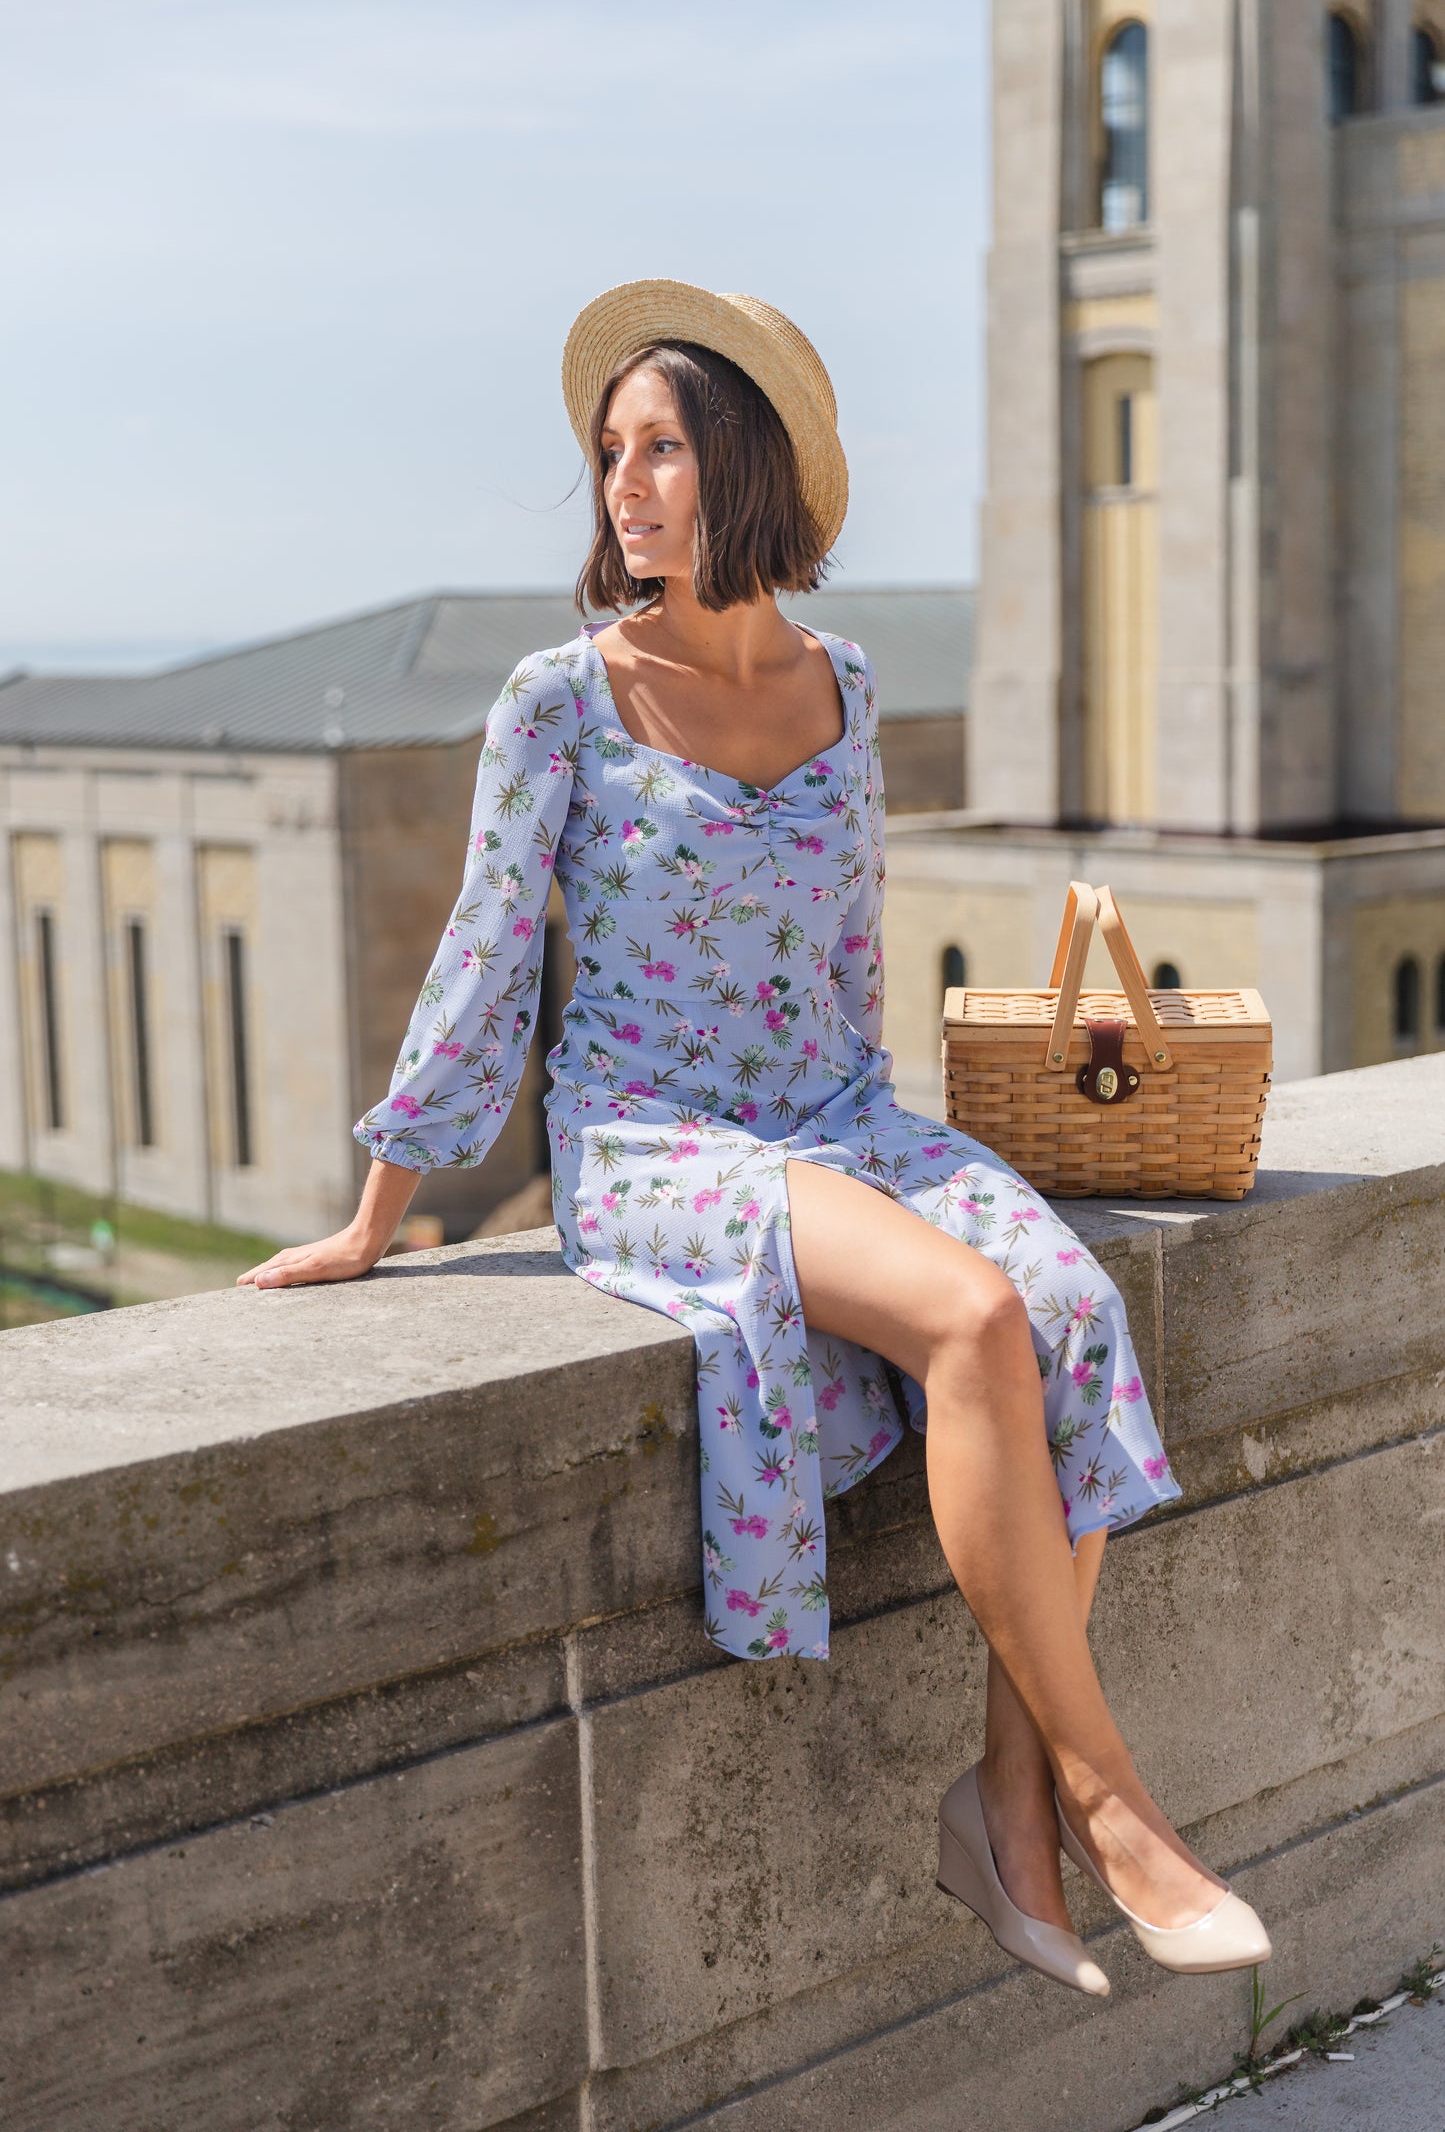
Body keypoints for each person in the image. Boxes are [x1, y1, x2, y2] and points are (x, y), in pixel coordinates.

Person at [240, 279, 1270, 1995]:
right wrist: (376, 1212)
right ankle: (1107, 1806)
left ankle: (1002, 1816)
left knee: (1069, 1310)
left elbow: (852, 963)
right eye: (608, 455)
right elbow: (486, 959)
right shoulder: (559, 698)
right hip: (656, 1145)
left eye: (662, 449)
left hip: (839, 1120)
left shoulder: (844, 687)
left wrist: (898, 1153)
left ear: (748, 465)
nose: (624, 487)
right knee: (969, 1317)